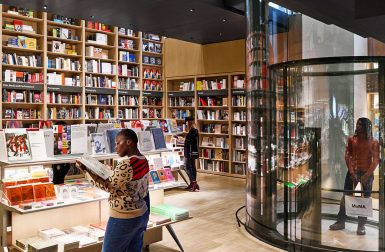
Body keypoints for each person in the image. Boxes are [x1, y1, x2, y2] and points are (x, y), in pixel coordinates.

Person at [76, 129, 150, 251]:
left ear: (128, 142)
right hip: (141, 213)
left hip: (124, 216)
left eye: (117, 143)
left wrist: (86, 171)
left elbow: (108, 186)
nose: (115, 147)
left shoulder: (127, 164)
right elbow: (124, 182)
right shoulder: (143, 159)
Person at [329, 118, 379, 235]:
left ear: (367, 126)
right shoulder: (351, 139)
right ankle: (341, 221)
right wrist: (352, 172)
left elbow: (376, 160)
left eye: (361, 124)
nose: (358, 126)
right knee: (345, 197)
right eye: (357, 124)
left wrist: (366, 175)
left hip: (367, 174)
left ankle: (361, 225)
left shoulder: (374, 142)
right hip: (353, 173)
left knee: (365, 199)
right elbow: (347, 156)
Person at [184, 116, 199, 192]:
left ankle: (194, 183)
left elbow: (190, 142)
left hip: (189, 152)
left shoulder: (193, 131)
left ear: (188, 122)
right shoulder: (194, 130)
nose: (185, 123)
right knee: (192, 167)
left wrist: (183, 139)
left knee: (187, 167)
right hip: (190, 151)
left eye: (186, 122)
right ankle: (192, 183)